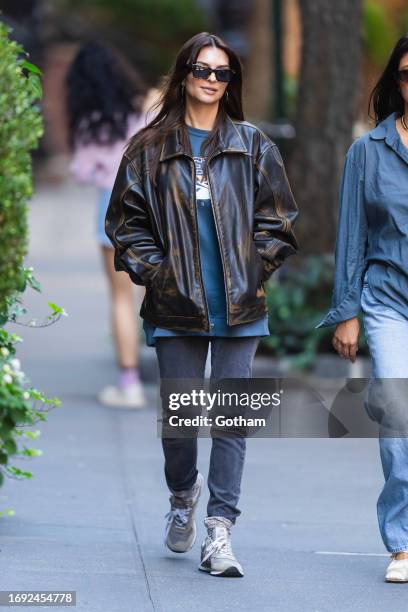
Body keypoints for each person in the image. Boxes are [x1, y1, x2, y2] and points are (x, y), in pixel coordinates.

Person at [105, 32, 298, 577]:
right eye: (202, 69)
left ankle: (220, 530)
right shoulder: (149, 148)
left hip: (241, 309)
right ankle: (181, 494)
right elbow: (125, 223)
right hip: (175, 308)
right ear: (184, 73)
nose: (211, 80)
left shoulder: (254, 145)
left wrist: (252, 268)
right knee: (181, 425)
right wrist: (159, 273)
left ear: (231, 82)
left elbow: (279, 220)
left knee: (231, 420)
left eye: (222, 73)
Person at [316, 35, 408, 583]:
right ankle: (403, 543)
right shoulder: (368, 151)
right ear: (395, 80)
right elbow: (351, 234)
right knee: (397, 406)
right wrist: (346, 311)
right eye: (405, 72)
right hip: (387, 297)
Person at [66, 42, 150, 409]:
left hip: (112, 207)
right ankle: (181, 379)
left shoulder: (93, 122)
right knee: (157, 294)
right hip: (153, 208)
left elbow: (82, 171)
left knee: (120, 298)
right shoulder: (143, 110)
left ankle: (129, 384)